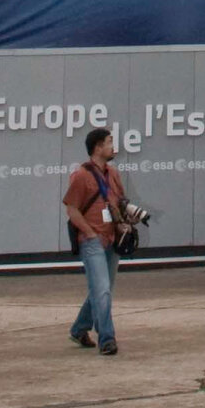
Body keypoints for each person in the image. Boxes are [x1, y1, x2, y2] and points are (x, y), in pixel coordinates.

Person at [63, 125, 127, 355]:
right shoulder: (81, 175)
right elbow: (72, 210)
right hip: (92, 242)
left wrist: (123, 222)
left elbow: (119, 203)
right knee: (102, 290)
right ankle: (107, 339)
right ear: (98, 147)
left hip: (112, 239)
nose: (113, 146)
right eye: (110, 142)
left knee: (102, 289)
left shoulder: (113, 174)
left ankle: (79, 328)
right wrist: (89, 233)